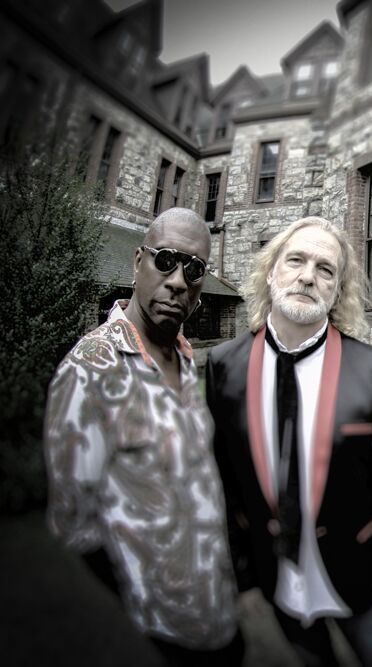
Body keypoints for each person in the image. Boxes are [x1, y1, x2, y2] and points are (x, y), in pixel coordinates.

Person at [206, 216, 372, 667]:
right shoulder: (224, 366)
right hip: (276, 572)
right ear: (271, 272)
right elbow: (224, 482)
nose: (308, 276)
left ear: (337, 290)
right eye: (296, 261)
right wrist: (244, 576)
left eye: (325, 269)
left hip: (356, 572)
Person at [43, 208, 243, 666]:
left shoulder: (183, 355)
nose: (178, 281)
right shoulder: (89, 370)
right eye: (166, 260)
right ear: (137, 262)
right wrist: (142, 593)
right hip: (166, 623)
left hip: (217, 599)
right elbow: (75, 523)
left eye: (194, 269)